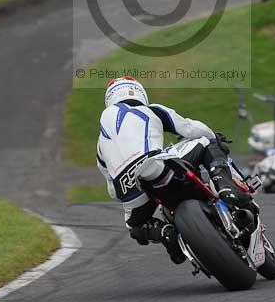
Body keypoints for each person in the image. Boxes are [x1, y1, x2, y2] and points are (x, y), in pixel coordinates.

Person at [96, 75, 250, 264]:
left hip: (129, 191)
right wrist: (215, 137)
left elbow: (112, 190)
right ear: (139, 93)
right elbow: (191, 129)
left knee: (134, 227)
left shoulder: (100, 145)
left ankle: (164, 233)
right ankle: (225, 186)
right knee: (206, 142)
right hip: (154, 166)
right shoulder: (150, 109)